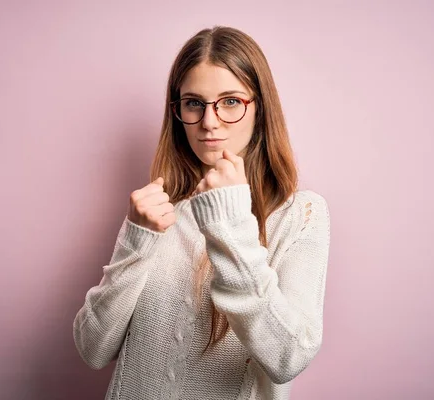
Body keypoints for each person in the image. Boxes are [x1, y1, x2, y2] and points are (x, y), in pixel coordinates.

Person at [73, 25, 331, 400]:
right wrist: (136, 240)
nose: (209, 122)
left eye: (230, 101)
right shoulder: (158, 212)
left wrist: (228, 221)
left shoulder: (302, 215)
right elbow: (92, 349)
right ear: (177, 111)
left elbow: (288, 357)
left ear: (260, 108)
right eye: (194, 103)